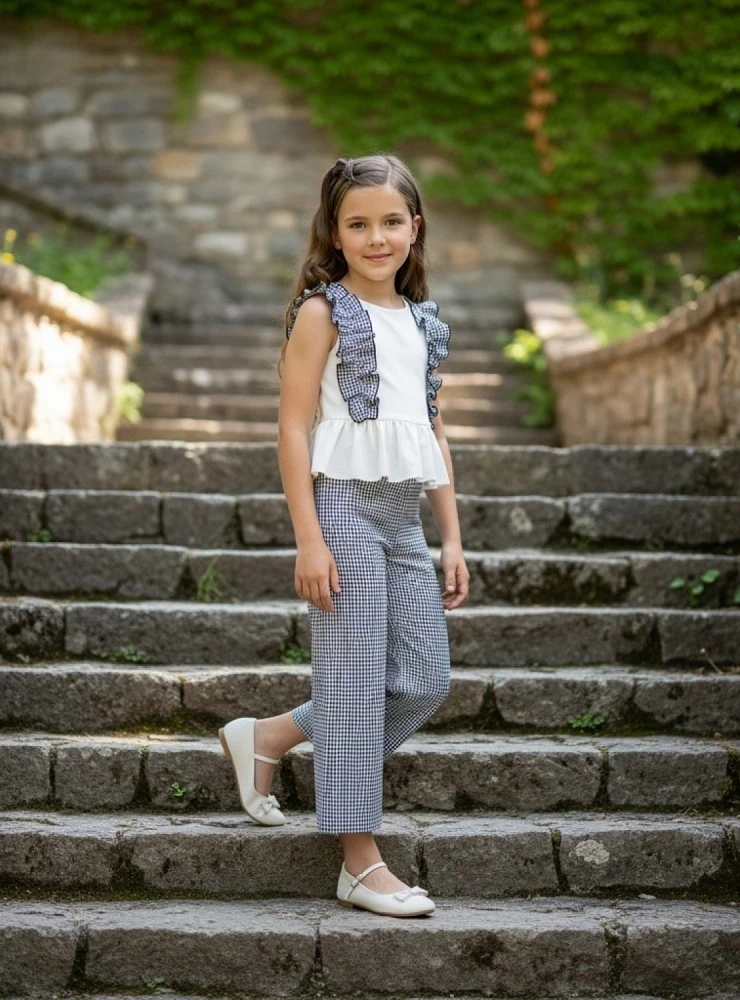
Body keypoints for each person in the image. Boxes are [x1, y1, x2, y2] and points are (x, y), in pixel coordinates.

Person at [218, 153, 469, 917]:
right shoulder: (324, 313)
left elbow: (431, 430)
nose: (376, 236)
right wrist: (309, 537)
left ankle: (270, 735)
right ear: (334, 231)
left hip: (402, 518)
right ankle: (359, 862)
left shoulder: (423, 321)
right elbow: (293, 428)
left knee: (426, 678)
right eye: (358, 224)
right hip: (344, 511)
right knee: (356, 686)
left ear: (415, 229)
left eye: (391, 221)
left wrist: (451, 536)